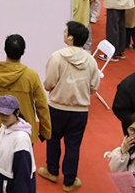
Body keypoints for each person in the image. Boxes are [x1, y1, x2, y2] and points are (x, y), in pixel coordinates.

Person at [39, 22, 99, 191]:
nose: (64, 33)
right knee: (73, 145)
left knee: (53, 140)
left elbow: (49, 83)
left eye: (66, 31)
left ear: (71, 38)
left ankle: (52, 171)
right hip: (79, 111)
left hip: (56, 107)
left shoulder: (57, 57)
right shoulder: (90, 60)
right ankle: (69, 181)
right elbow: (94, 86)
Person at [0, 34, 51, 145]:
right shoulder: (31, 75)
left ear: (5, 50)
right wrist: (45, 131)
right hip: (25, 129)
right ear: (23, 52)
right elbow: (42, 105)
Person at [0, 94, 36, 193]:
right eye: (0, 114)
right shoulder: (3, 128)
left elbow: (22, 176)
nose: (2, 117)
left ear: (17, 112)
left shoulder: (21, 139)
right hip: (2, 180)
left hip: (11, 185)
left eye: (6, 114)